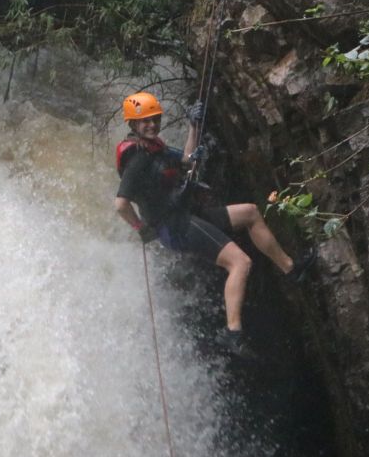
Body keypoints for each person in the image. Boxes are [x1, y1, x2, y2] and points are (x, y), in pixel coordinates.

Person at [113, 91, 315, 360]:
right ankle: (232, 333)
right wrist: (141, 227)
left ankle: (291, 269)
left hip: (187, 215)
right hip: (175, 226)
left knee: (250, 213)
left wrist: (193, 126)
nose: (152, 125)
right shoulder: (137, 159)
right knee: (240, 262)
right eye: (145, 121)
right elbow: (121, 204)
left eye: (155, 119)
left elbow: (187, 159)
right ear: (133, 125)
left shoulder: (154, 148)